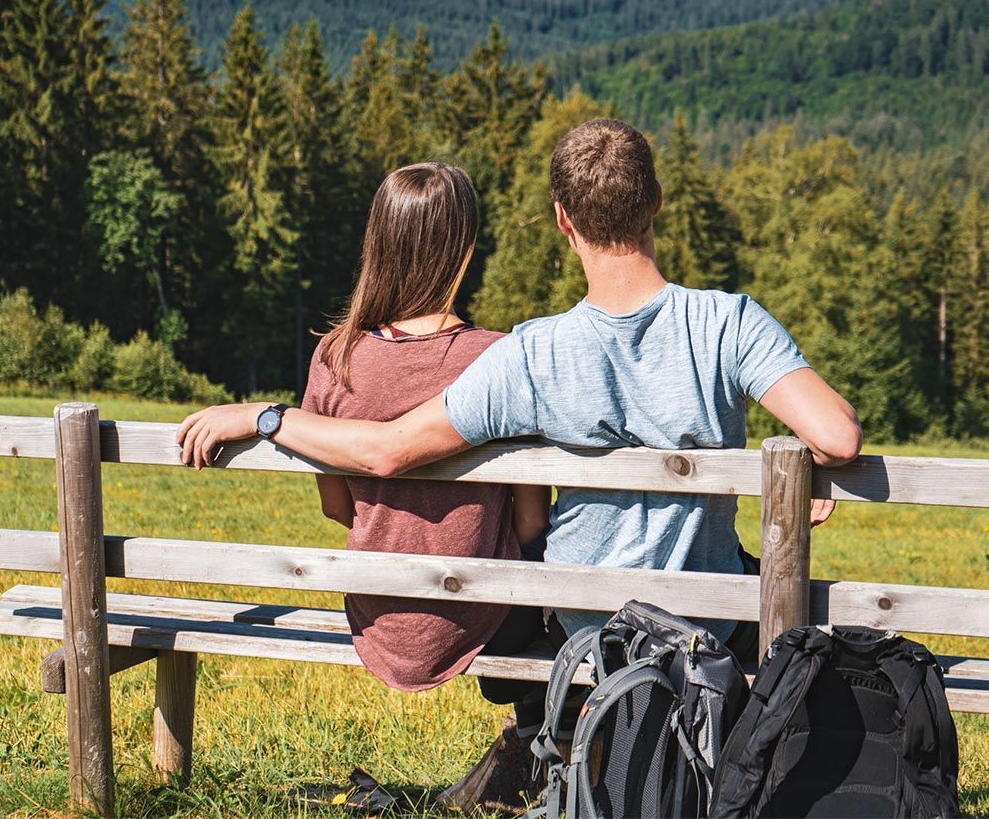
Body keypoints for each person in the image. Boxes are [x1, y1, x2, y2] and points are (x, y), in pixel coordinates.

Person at [179, 118, 862, 801]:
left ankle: (557, 753)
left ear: (563, 221)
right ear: (656, 202)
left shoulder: (530, 355)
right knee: (758, 578)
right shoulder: (729, 322)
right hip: (705, 618)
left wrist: (266, 417)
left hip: (586, 624)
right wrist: (801, 458)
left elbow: (386, 452)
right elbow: (839, 435)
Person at [182, 162, 551, 796]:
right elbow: (529, 522)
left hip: (376, 615)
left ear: (378, 244)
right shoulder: (498, 357)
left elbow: (337, 507)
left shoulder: (336, 355)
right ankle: (538, 753)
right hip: (483, 615)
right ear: (464, 248)